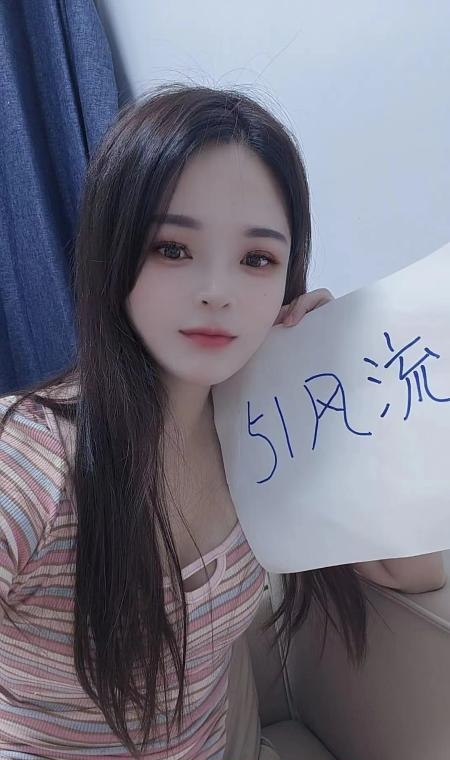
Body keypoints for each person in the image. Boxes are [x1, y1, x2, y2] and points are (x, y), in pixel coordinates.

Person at [0, 83, 446, 760]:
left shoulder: (268, 427)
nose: (217, 290)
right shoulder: (32, 455)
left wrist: (339, 376)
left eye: (256, 259)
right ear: (112, 251)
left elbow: (412, 574)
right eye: (173, 248)